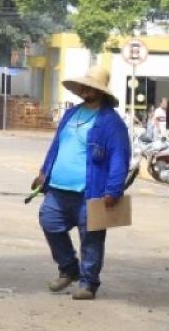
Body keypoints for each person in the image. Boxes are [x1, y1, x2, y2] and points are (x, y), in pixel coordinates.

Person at [32, 67, 130, 301]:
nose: (85, 89)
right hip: (58, 188)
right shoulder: (71, 114)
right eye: (84, 85)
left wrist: (113, 190)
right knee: (49, 221)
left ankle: (88, 283)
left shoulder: (111, 122)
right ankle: (69, 267)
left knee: (91, 238)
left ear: (100, 91)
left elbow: (120, 157)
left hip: (91, 191)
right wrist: (44, 172)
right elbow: (57, 145)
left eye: (91, 86)